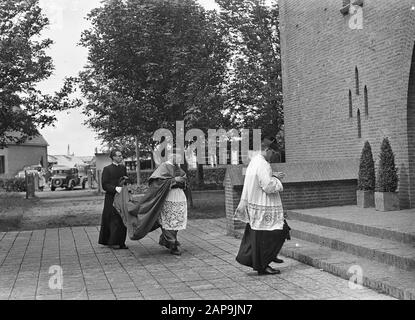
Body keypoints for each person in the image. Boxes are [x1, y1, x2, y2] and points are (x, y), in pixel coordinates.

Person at [114, 148, 188, 255]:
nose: (181, 159)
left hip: (179, 196)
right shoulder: (164, 167)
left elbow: (184, 179)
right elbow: (156, 182)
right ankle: (172, 243)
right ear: (172, 156)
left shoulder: (177, 167)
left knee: (177, 220)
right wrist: (174, 180)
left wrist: (182, 181)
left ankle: (167, 240)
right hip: (167, 198)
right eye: (179, 156)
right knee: (169, 220)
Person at [234, 136, 288, 275]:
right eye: (273, 153)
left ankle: (266, 259)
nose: (273, 156)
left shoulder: (255, 161)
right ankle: (264, 263)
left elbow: (259, 178)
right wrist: (276, 179)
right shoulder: (263, 163)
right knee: (276, 233)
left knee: (259, 236)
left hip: (255, 205)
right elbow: (268, 186)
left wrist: (272, 173)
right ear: (267, 149)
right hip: (264, 205)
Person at [98, 149, 129, 250]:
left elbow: (126, 181)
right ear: (113, 157)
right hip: (111, 198)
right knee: (113, 219)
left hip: (122, 197)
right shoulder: (107, 169)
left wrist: (126, 183)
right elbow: (104, 184)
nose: (121, 157)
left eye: (121, 156)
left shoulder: (123, 168)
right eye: (119, 156)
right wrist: (115, 188)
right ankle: (112, 242)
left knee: (122, 218)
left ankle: (121, 242)